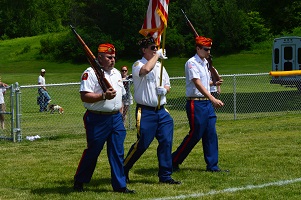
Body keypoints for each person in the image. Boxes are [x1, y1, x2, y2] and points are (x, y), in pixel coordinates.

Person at [73, 43, 135, 194]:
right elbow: (84, 96)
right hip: (97, 119)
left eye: (114, 57)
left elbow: (120, 95)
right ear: (99, 57)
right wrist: (103, 96)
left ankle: (120, 186)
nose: (113, 60)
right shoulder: (90, 73)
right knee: (93, 151)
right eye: (109, 57)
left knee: (117, 152)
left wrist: (120, 111)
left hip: (115, 118)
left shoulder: (116, 73)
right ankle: (80, 180)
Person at [123, 37, 181, 185]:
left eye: (156, 48)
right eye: (152, 48)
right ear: (144, 50)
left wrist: (165, 90)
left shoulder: (160, 66)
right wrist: (157, 56)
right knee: (143, 143)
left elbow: (168, 84)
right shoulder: (138, 64)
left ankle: (165, 176)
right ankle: (124, 168)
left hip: (162, 111)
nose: (156, 50)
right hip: (146, 112)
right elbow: (145, 70)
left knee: (166, 142)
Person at [172, 36, 229, 173]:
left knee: (210, 134)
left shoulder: (205, 63)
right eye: (206, 49)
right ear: (198, 48)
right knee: (195, 134)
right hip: (195, 103)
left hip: (206, 104)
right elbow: (197, 83)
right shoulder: (192, 63)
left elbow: (205, 82)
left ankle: (212, 165)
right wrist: (213, 99)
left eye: (209, 49)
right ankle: (173, 160)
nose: (208, 52)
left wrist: (215, 84)